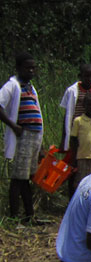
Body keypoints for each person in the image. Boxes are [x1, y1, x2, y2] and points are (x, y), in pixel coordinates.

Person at [0, 52, 44, 223]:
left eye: (33, 68)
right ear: (18, 68)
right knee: (18, 178)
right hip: (22, 137)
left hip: (34, 138)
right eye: (27, 68)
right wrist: (13, 126)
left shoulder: (31, 88)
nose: (31, 71)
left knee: (26, 178)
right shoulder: (12, 86)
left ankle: (29, 216)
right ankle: (13, 217)